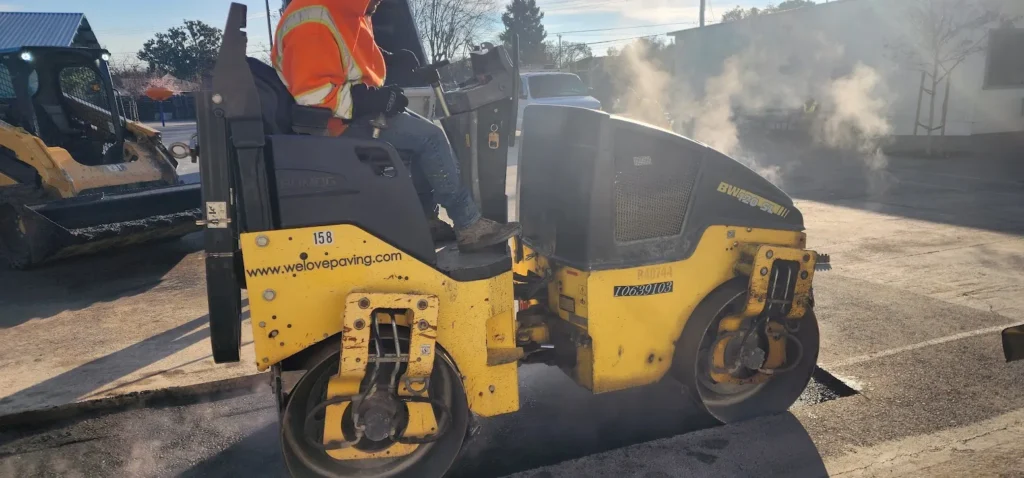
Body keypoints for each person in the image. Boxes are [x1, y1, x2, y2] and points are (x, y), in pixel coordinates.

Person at [272, 0, 520, 251]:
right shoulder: (313, 21)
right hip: (331, 128)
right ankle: (469, 225)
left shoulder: (343, 10)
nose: (380, 2)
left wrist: (388, 58)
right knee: (430, 139)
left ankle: (426, 220)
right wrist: (370, 100)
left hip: (345, 117)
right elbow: (313, 95)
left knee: (424, 135)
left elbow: (344, 55)